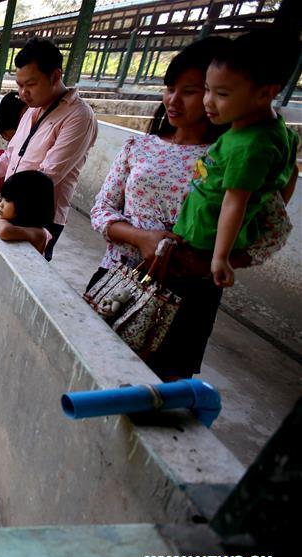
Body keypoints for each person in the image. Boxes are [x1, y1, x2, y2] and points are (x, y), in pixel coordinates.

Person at [87, 37, 294, 380]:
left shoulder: (235, 159)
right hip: (118, 279)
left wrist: (210, 263)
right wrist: (140, 238)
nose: (173, 100)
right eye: (170, 88)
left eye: (191, 91)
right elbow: (103, 209)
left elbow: (272, 233)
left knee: (154, 389)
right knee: (94, 370)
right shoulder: (139, 146)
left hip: (187, 301)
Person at [171, 31, 300, 288]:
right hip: (203, 231)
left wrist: (220, 257)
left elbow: (234, 202)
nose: (208, 101)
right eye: (207, 89)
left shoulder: (250, 146)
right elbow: (290, 175)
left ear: (265, 93)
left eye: (222, 94)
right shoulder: (276, 131)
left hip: (202, 241)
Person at [0, 37, 98, 261]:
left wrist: (0, 199)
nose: (22, 94)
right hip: (10, 206)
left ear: (55, 76)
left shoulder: (78, 117)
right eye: (19, 85)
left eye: (30, 85)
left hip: (38, 216)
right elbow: (12, 155)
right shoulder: (32, 109)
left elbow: (47, 176)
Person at [0, 170, 55, 254]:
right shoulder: (16, 218)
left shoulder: (39, 233)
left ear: (24, 205)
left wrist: (1, 217)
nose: (1, 204)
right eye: (3, 198)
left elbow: (4, 231)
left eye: (7, 200)